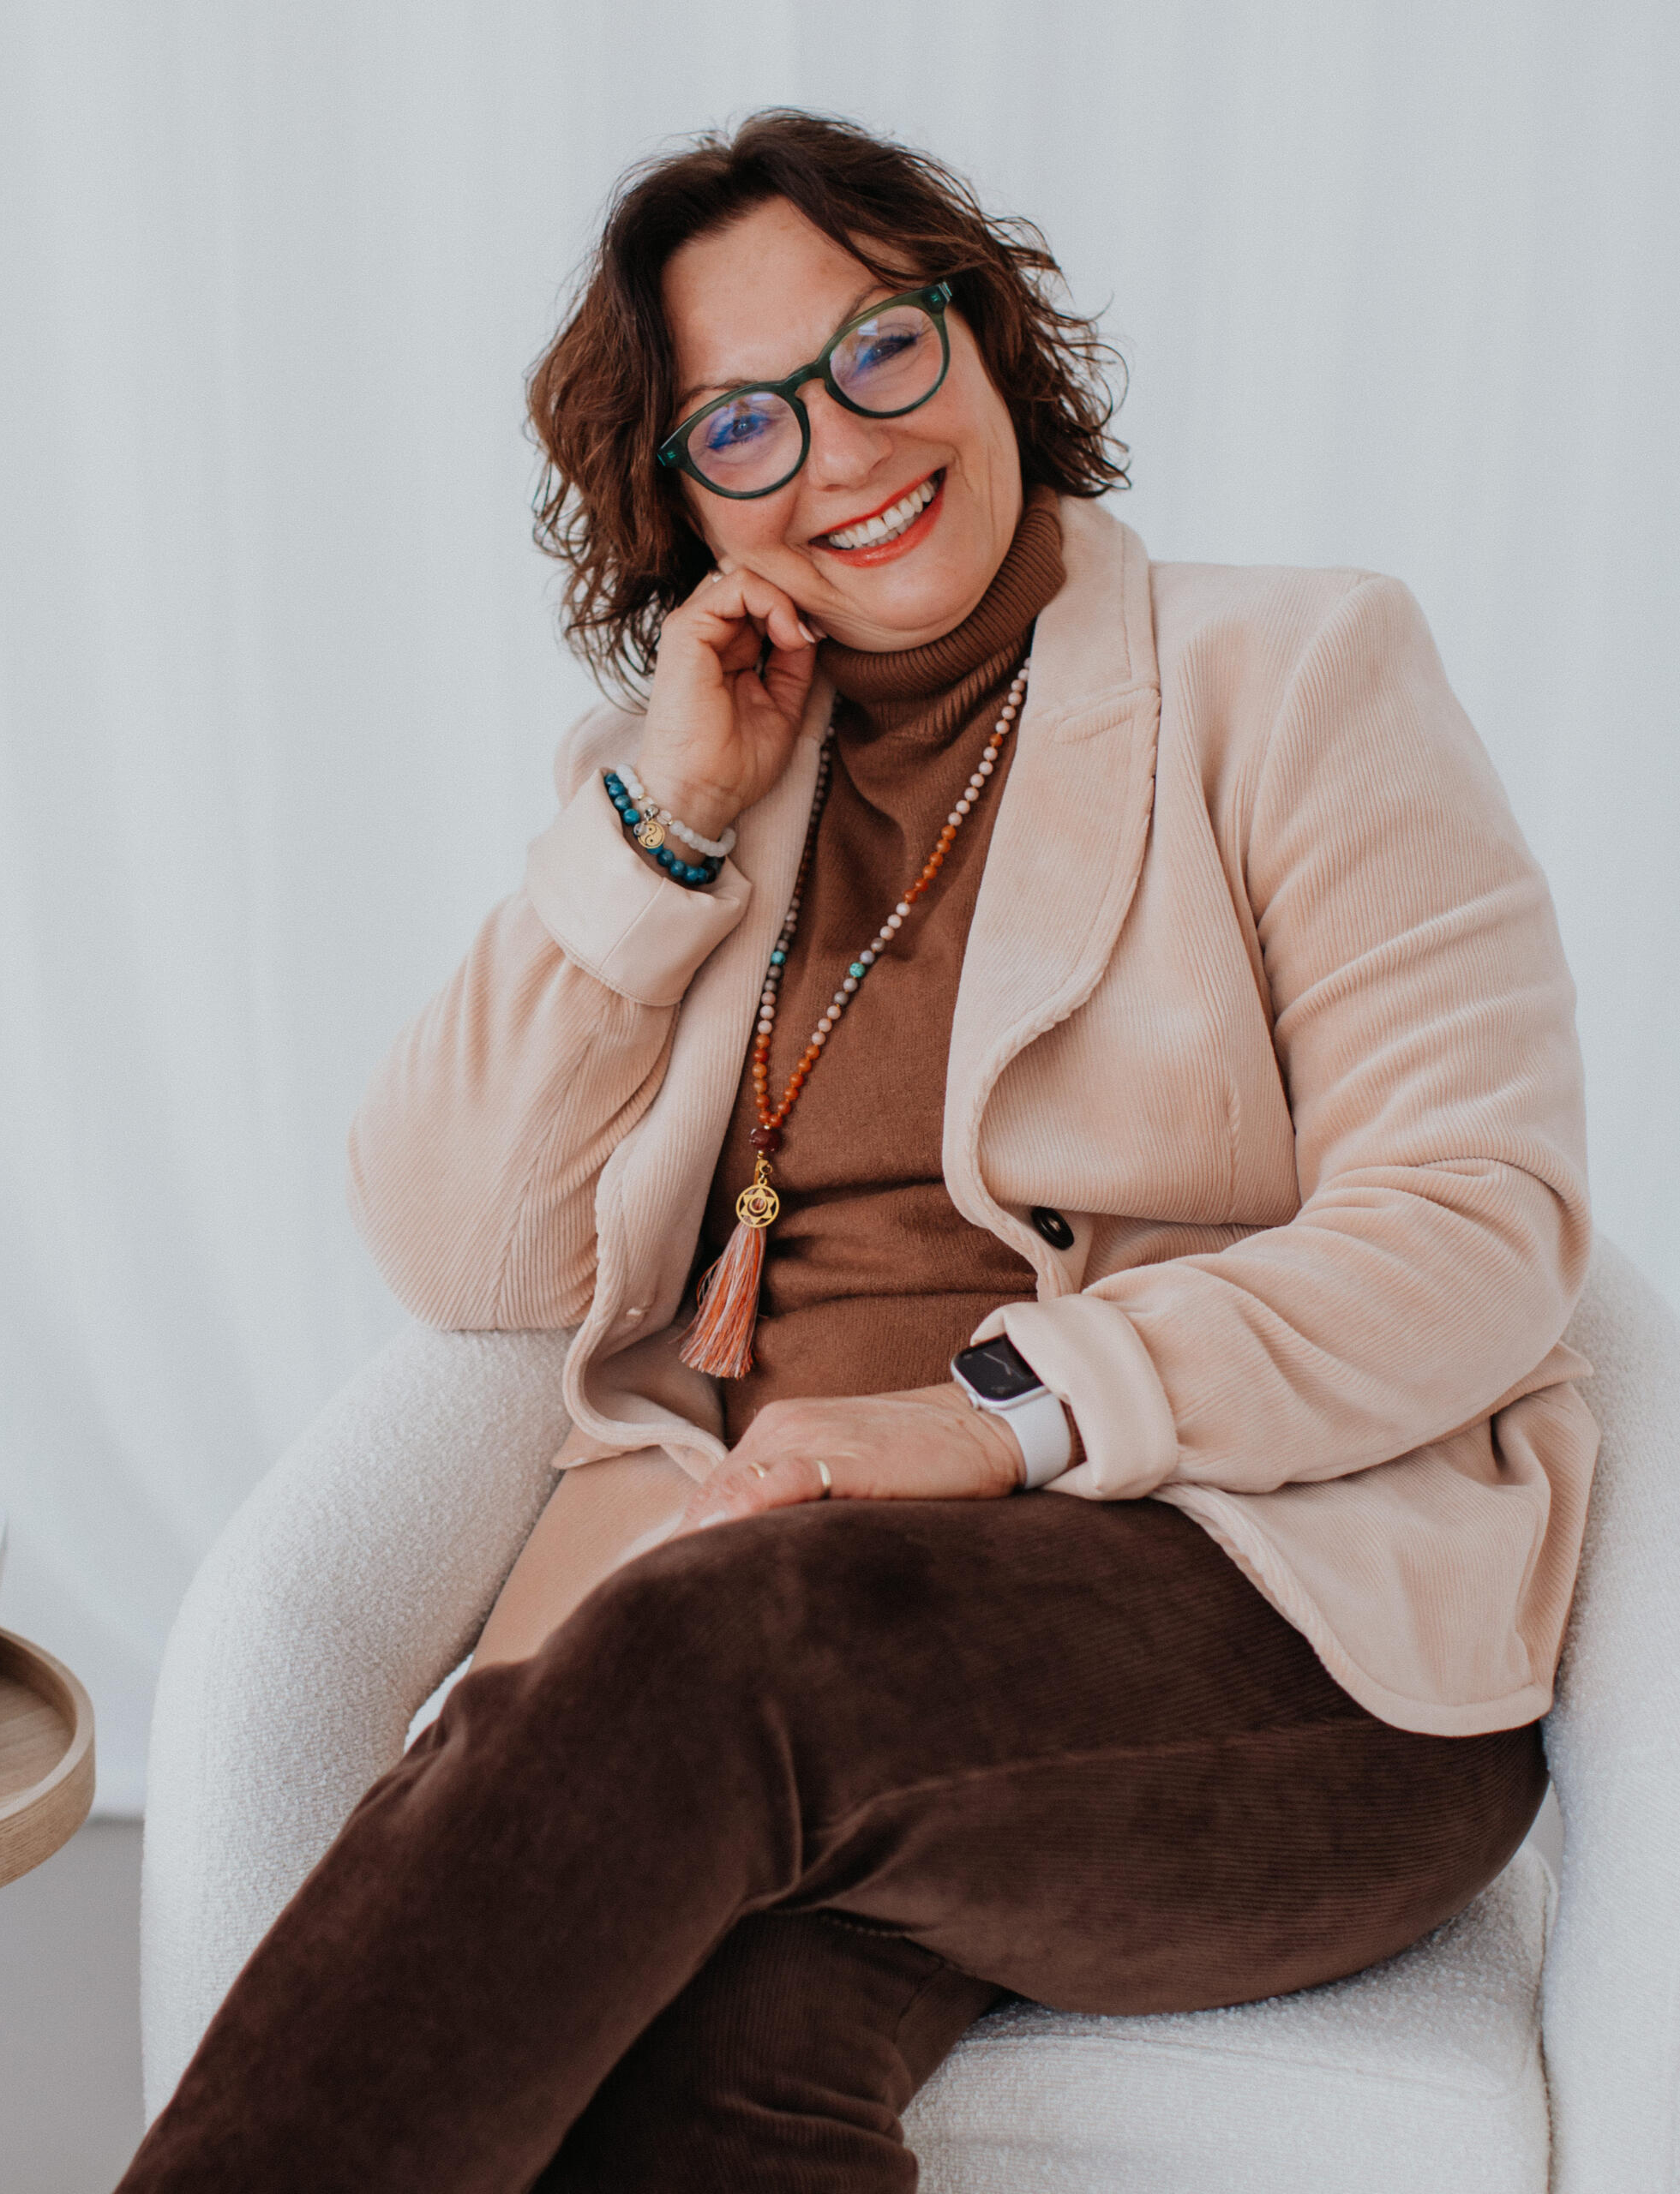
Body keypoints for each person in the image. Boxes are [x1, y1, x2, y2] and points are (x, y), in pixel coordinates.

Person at [118, 109, 1596, 2192]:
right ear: (679, 499)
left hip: (1265, 1635)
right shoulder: (687, 789)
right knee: (679, 2076)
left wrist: (992, 1414)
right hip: (786, 1699)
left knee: (703, 1650)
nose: (841, 448)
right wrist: (662, 823)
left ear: (982, 337)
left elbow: (1478, 1225)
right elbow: (458, 1244)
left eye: (879, 348)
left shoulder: (1292, 673)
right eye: (742, 423)